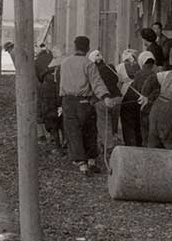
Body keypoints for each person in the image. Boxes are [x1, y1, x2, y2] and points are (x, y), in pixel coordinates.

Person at [59, 36, 116, 175]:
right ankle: (91, 161)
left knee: (73, 132)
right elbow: (96, 83)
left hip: (67, 100)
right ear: (88, 48)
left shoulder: (64, 63)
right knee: (89, 130)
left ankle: (82, 164)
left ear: (74, 46)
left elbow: (60, 84)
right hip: (85, 102)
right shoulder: (89, 64)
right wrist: (106, 97)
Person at [88, 50, 122, 154]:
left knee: (104, 124)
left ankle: (109, 148)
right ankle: (113, 143)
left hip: (103, 101)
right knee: (114, 124)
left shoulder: (94, 70)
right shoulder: (110, 67)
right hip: (117, 99)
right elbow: (117, 79)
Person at [117, 49, 143, 147]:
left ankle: (130, 145)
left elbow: (118, 84)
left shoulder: (120, 67)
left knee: (128, 124)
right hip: (139, 95)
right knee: (138, 123)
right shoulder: (140, 66)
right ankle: (139, 145)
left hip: (126, 96)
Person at [134, 51, 161, 146]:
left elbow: (135, 88)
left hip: (143, 107)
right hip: (155, 106)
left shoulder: (138, 74)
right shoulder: (157, 75)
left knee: (144, 130)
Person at [35, 44, 53, 141]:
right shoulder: (52, 57)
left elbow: (37, 78)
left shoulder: (36, 61)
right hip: (56, 87)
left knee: (40, 110)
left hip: (42, 86)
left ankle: (41, 134)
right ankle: (53, 135)